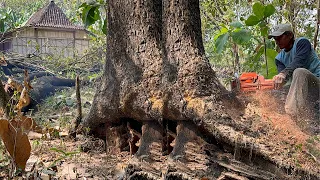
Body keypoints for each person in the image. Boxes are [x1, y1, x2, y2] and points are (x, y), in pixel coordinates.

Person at [268, 23, 320, 117]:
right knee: (274, 93)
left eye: (279, 37)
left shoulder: (302, 43)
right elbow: (284, 80)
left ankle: (291, 115)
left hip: (316, 85)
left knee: (300, 71)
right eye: (275, 39)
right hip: (301, 90)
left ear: (290, 35)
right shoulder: (279, 59)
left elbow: (298, 62)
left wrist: (283, 74)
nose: (277, 41)